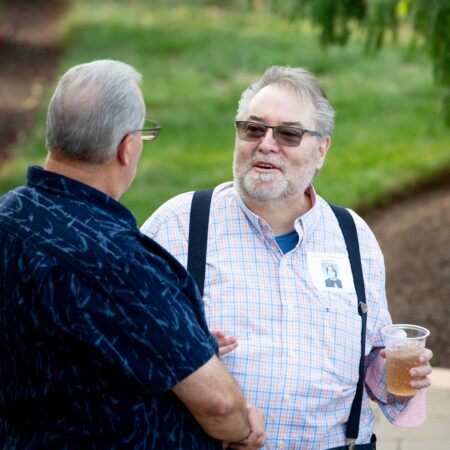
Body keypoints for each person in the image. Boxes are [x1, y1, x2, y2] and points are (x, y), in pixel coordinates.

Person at [141, 66, 433, 449]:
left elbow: (373, 363)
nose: (265, 144)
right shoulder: (178, 226)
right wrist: (179, 350)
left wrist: (397, 374)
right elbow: (125, 351)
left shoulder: (353, 236)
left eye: (289, 134)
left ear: (321, 150)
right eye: (253, 129)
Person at [0, 59, 265, 450]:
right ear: (126, 148)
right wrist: (246, 427)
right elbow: (221, 406)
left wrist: (175, 336)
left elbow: (60, 335)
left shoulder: (8, 216)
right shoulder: (118, 261)